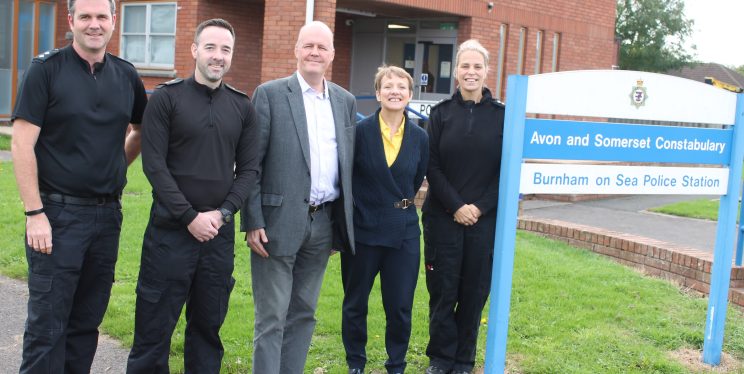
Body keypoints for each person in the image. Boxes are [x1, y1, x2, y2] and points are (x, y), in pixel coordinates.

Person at [10, 0, 147, 372]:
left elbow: (140, 130)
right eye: (85, 16)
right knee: (48, 326)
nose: (94, 24)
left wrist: (118, 165)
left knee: (86, 324)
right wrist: (34, 213)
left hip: (107, 218)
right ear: (71, 21)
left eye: (102, 16)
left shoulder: (127, 75)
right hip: (56, 215)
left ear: (114, 22)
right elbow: (21, 143)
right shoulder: (45, 70)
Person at [126, 18, 258, 373]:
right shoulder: (167, 99)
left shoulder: (243, 107)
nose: (218, 56)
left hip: (217, 239)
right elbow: (154, 167)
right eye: (211, 47)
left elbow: (249, 171)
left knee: (206, 332)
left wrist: (222, 213)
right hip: (169, 236)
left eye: (225, 49)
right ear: (195, 49)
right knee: (153, 334)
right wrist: (189, 217)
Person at [241, 21, 356, 374]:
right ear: (296, 49)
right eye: (308, 45)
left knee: (304, 313)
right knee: (272, 316)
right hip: (275, 224)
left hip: (322, 223)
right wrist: (253, 220)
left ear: (332, 54)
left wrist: (339, 227)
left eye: (322, 47)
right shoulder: (271, 94)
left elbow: (346, 167)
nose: (314, 53)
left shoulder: (345, 101)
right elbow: (251, 164)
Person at [422, 39, 505, 374]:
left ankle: (463, 360)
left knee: (473, 293)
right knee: (442, 291)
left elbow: (507, 172)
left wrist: (479, 208)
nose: (471, 72)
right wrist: (457, 206)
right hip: (442, 218)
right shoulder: (441, 114)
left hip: (483, 223)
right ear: (456, 72)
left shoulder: (504, 117)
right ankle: (441, 359)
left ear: (487, 71)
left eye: (477, 66)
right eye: (465, 66)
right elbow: (432, 165)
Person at [341, 65, 428, 374]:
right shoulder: (359, 133)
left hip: (403, 233)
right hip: (364, 230)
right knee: (355, 303)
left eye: (401, 87)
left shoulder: (419, 136)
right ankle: (356, 363)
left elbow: (415, 180)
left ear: (409, 94)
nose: (395, 91)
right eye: (388, 86)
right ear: (377, 93)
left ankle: (396, 363)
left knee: (400, 306)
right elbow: (347, 178)